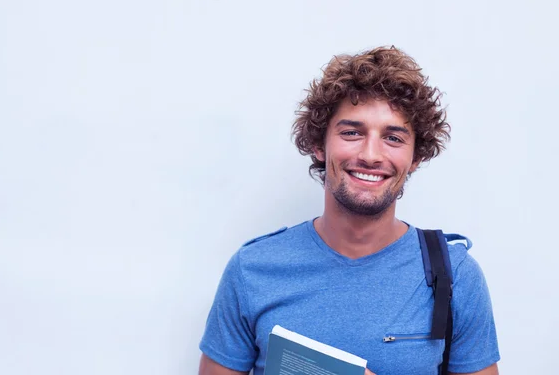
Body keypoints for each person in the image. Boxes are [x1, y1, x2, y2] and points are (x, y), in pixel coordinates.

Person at [198, 47, 500, 375]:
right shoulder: (251, 270)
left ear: (415, 158)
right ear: (318, 144)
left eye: (393, 138)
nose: (371, 154)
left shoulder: (456, 275)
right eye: (351, 133)